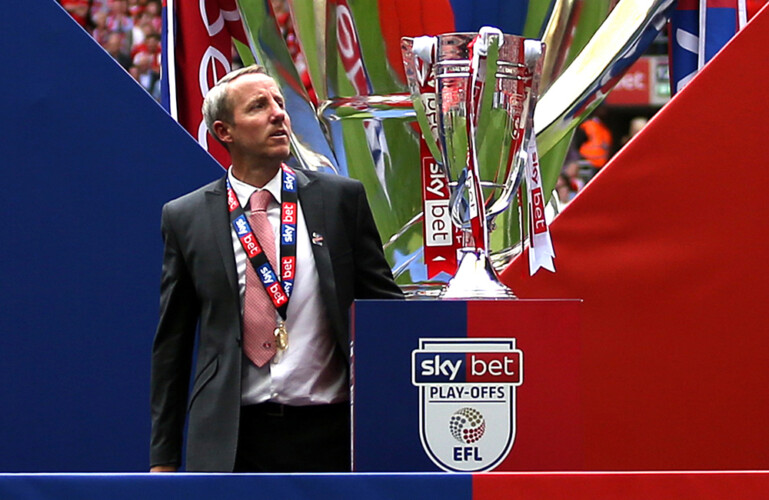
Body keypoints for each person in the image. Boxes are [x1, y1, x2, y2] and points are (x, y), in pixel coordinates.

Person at [149, 65, 403, 473]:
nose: (278, 113)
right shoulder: (186, 217)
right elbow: (172, 346)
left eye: (279, 102)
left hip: (332, 434)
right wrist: (163, 458)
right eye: (258, 106)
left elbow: (386, 313)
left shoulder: (340, 200)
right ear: (224, 131)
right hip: (232, 441)